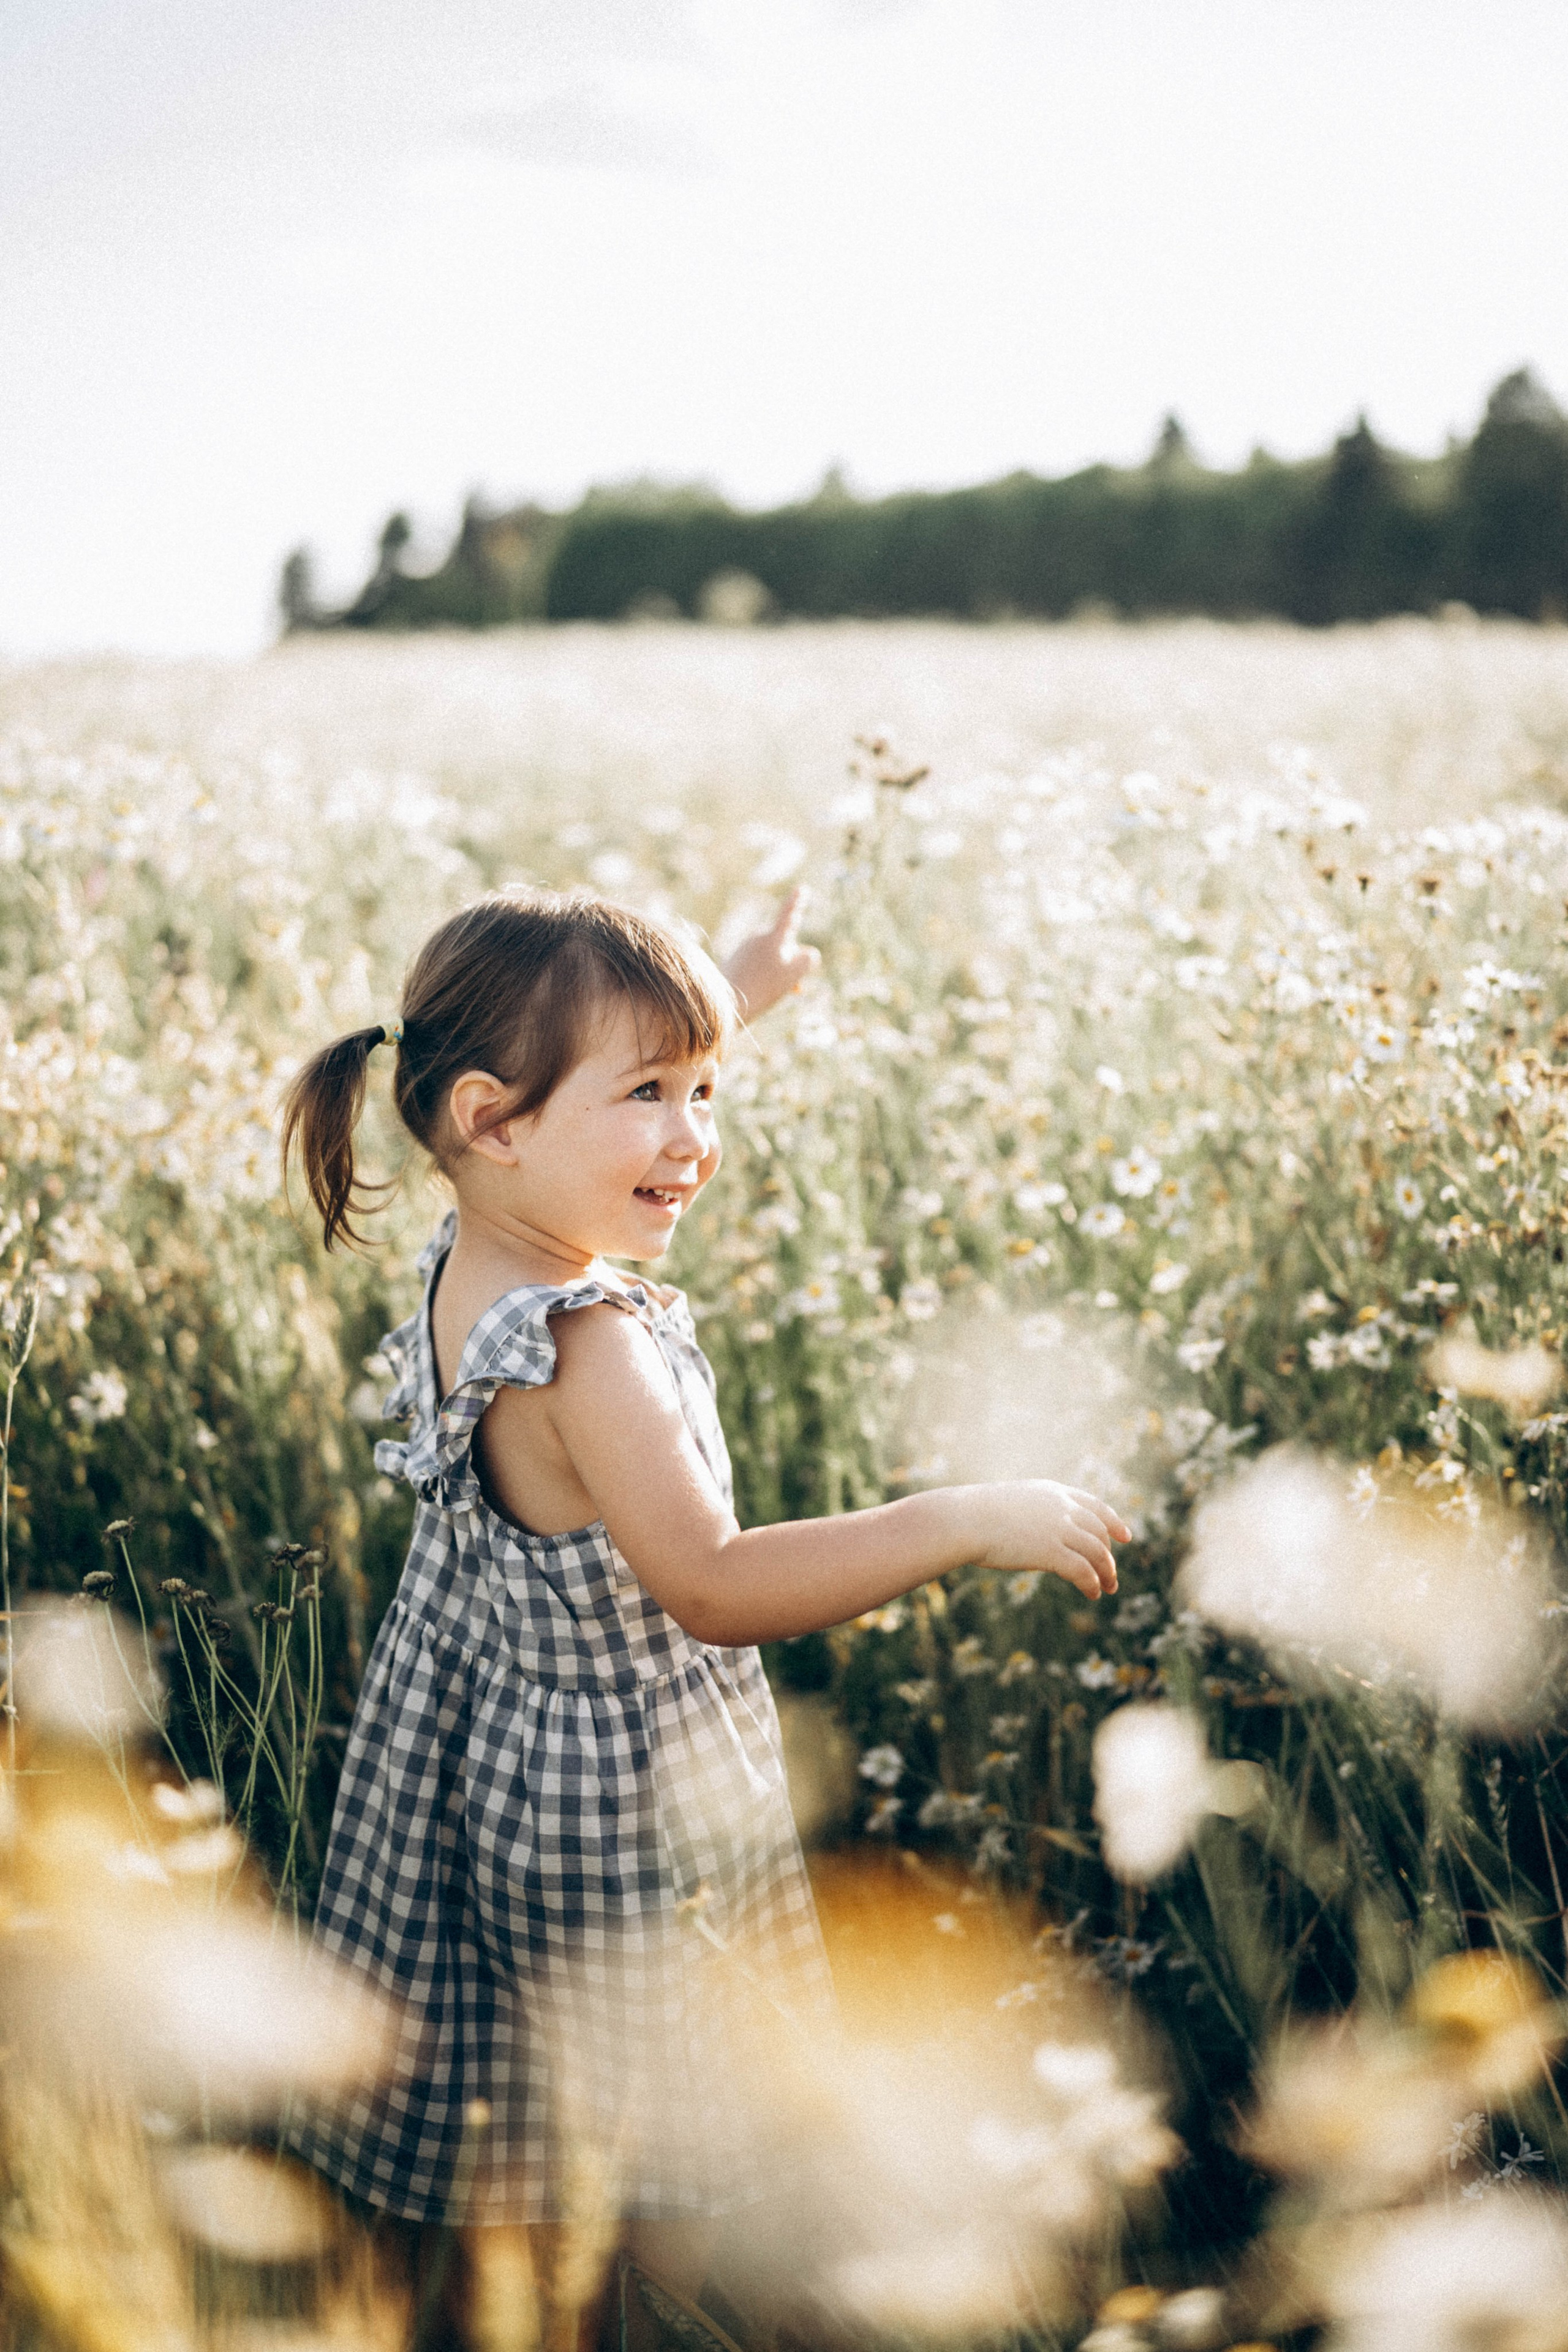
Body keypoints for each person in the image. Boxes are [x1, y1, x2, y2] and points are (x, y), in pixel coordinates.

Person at [279, 883, 1126, 2339]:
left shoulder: (475, 1258)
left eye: (704, 1088)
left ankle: (519, 2295)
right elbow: (713, 1586)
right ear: (492, 1118)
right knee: (657, 2131)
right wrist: (958, 1521)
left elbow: (587, 1109)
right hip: (614, 1792)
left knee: (530, 2079)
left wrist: (714, 1004)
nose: (695, 1137)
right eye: (651, 1094)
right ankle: (636, 2314)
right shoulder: (588, 1348)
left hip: (486, 1741)